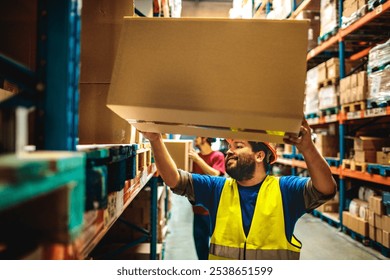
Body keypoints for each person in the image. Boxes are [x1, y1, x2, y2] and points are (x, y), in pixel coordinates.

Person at [141, 119, 337, 260]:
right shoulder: (217, 188)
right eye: (229, 145)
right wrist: (155, 140)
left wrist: (308, 148)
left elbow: (325, 189)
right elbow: (175, 180)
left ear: (260, 156)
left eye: (238, 145)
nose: (229, 150)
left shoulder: (284, 190)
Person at [189, 137, 225, 260]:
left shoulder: (217, 156)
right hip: (197, 209)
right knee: (200, 246)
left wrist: (198, 160)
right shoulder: (195, 157)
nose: (195, 139)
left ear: (205, 138)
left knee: (218, 246)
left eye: (197, 136)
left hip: (212, 211)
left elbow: (216, 174)